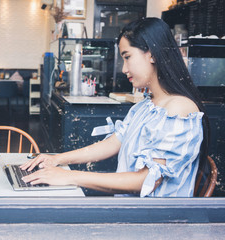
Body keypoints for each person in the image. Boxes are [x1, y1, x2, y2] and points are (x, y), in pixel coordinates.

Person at [21, 17, 209, 197]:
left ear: (151, 54)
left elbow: (146, 180)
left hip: (158, 223)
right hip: (131, 212)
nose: (124, 69)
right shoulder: (146, 105)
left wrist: (70, 176)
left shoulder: (179, 109)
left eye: (127, 57)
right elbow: (112, 143)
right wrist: (57, 159)